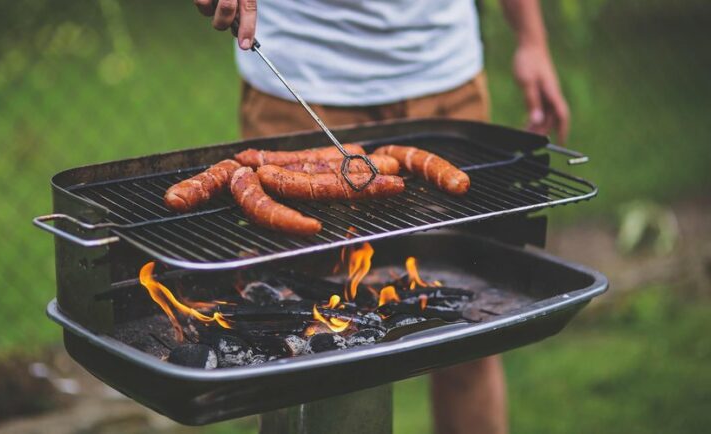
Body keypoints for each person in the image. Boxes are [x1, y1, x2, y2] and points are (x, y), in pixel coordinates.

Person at [195, 1, 569, 433]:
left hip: (445, 78)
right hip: (299, 77)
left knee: (471, 335)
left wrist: (531, 40)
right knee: (305, 347)